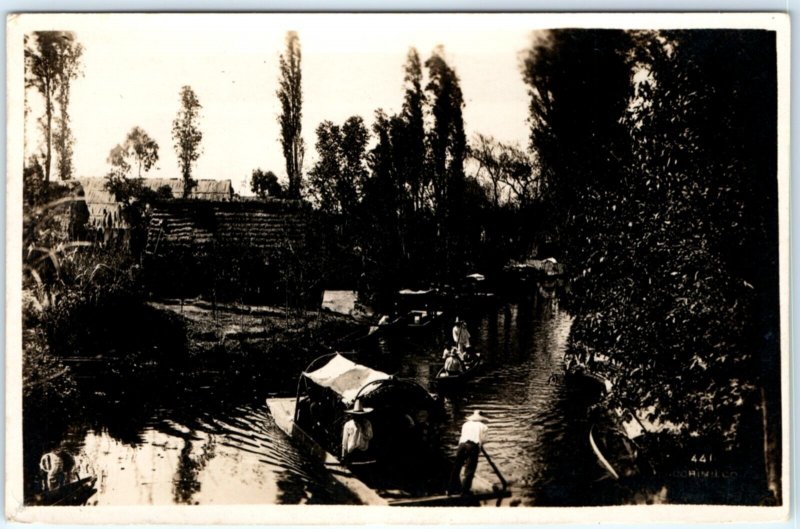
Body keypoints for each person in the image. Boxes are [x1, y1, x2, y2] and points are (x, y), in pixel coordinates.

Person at [448, 410, 488, 495]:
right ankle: (465, 491)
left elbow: (462, 436)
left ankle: (450, 489)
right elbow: (483, 441)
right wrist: (479, 448)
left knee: (456, 467)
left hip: (462, 445)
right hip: (472, 446)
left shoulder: (465, 424)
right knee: (470, 469)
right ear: (481, 418)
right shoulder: (484, 426)